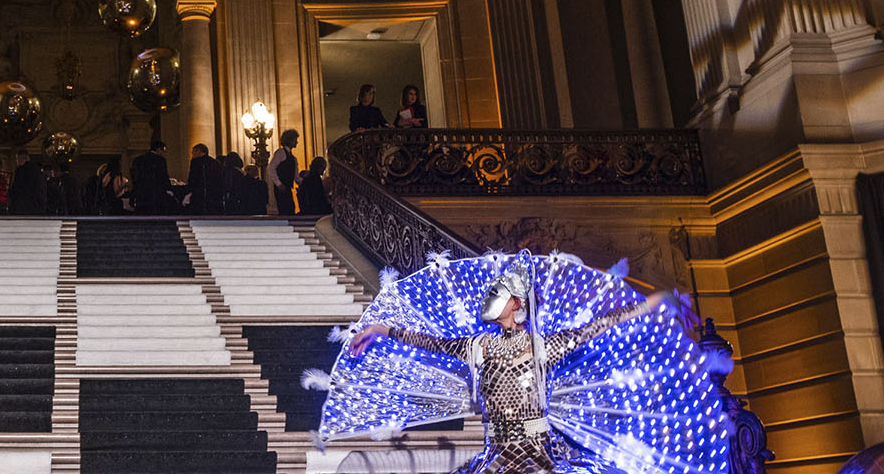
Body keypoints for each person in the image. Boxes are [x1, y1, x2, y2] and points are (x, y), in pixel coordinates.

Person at [337, 259, 675, 474]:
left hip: (538, 455)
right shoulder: (480, 346)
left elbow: (596, 326)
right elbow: (433, 343)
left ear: (515, 303)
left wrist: (650, 304)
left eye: (498, 294)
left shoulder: (541, 345)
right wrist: (382, 329)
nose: (488, 299)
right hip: (497, 456)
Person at [130, 140, 174, 213]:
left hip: (141, 195)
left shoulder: (137, 160)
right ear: (158, 149)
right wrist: (169, 189)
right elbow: (163, 177)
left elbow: (135, 178)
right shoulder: (160, 160)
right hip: (156, 195)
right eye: (163, 151)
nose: (163, 153)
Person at [185, 143, 224, 215]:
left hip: (199, 193)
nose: (192, 154)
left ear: (199, 151)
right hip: (213, 194)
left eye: (193, 151)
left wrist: (188, 190)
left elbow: (193, 178)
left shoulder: (196, 162)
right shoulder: (215, 162)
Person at [270, 129, 300, 216]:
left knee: (290, 209)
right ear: (289, 140)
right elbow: (271, 168)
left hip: (288, 187)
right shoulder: (280, 153)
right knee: (285, 210)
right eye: (295, 139)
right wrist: (279, 184)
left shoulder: (293, 158)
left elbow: (296, 177)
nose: (296, 142)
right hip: (281, 188)